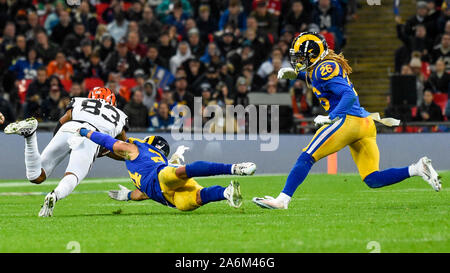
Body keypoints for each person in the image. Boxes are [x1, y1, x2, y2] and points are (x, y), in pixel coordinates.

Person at [253, 32, 442, 210]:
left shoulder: (323, 69)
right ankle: (417, 168)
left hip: (346, 121)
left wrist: (332, 116)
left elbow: (348, 95)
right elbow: (319, 79)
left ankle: (282, 200)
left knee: (307, 156)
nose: (298, 61)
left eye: (301, 57)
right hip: (365, 124)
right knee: (372, 179)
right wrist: (297, 74)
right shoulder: (323, 65)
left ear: (313, 55)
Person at [4, 87, 129, 217]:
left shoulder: (81, 101)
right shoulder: (119, 116)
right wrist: (112, 153)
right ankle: (54, 195)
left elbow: (64, 119)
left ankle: (30, 136)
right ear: (112, 102)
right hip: (91, 134)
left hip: (68, 128)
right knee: (73, 175)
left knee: (36, 176)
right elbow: (125, 150)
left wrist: (60, 142)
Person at [73, 128, 256, 211]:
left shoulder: (134, 149)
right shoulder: (148, 156)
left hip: (162, 177)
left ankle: (235, 168)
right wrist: (128, 196)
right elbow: (144, 194)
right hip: (168, 195)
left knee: (181, 172)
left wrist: (84, 132)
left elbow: (107, 141)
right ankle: (227, 192)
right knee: (190, 202)